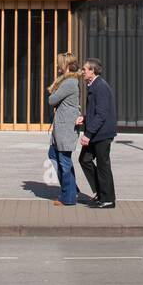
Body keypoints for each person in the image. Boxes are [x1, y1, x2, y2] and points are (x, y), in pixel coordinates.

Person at [75, 57, 117, 208]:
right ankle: (101, 192)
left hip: (102, 134)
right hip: (96, 132)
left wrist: (88, 134)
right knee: (85, 159)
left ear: (92, 71)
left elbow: (102, 114)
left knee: (103, 165)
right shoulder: (93, 85)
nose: (82, 72)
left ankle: (108, 199)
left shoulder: (100, 86)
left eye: (85, 69)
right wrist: (85, 119)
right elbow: (96, 112)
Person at [46, 51, 84, 207]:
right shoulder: (69, 81)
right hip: (62, 126)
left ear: (66, 65)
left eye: (59, 63)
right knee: (56, 155)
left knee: (64, 161)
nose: (57, 65)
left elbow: (52, 99)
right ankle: (72, 191)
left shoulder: (68, 83)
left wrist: (54, 93)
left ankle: (68, 197)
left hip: (65, 127)